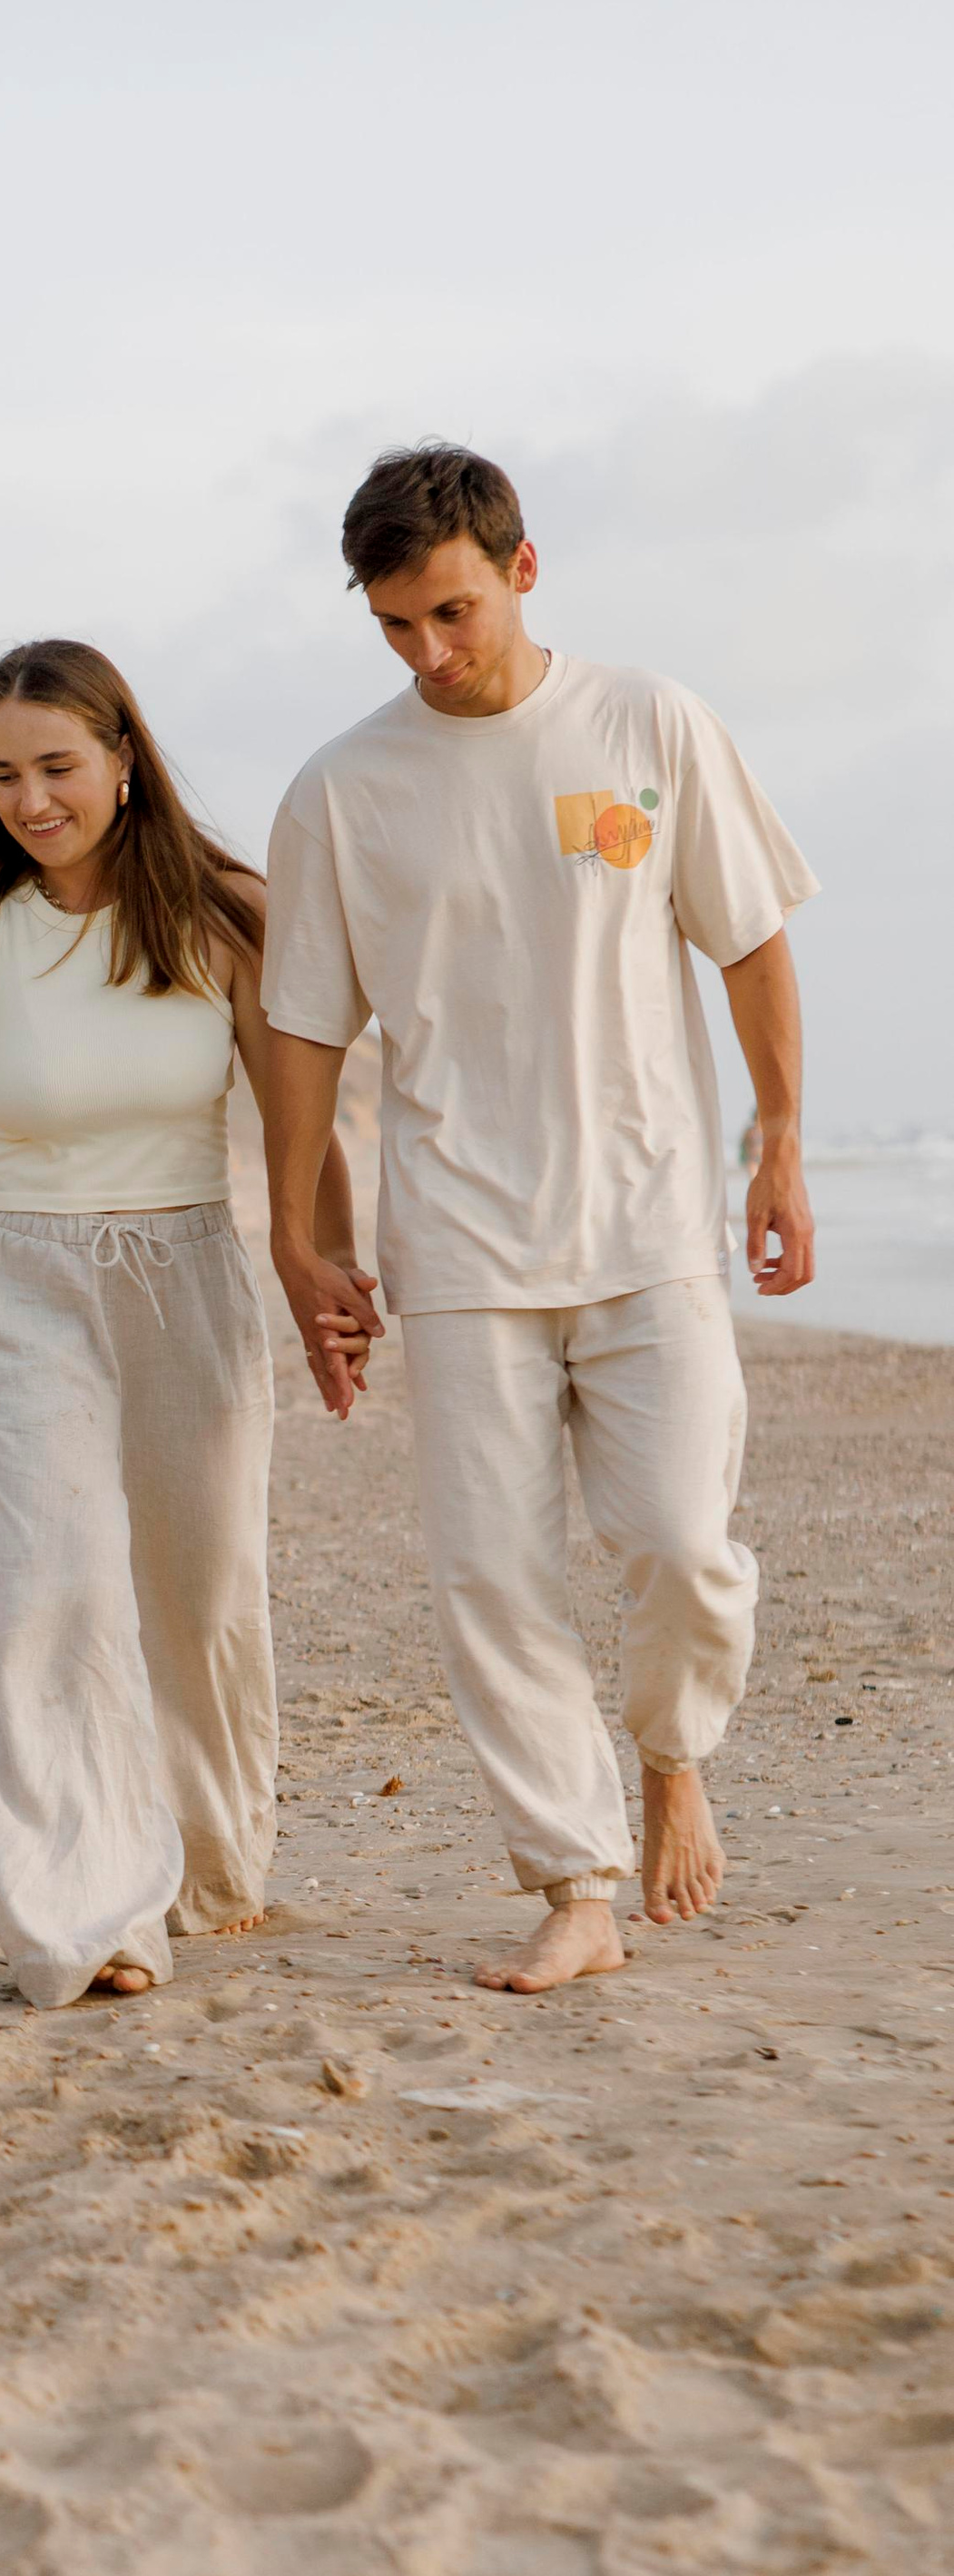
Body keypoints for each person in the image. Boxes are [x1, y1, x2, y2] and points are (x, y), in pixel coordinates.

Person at [258, 443, 817, 1996]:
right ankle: (575, 1881)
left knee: (683, 1544)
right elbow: (302, 1033)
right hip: (461, 1244)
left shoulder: (649, 723)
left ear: (521, 567)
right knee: (493, 1579)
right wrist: (299, 1236)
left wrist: (778, 1145)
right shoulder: (342, 790)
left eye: (453, 612)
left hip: (651, 1221)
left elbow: (749, 942)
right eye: (395, 626)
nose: (430, 653)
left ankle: (672, 1754)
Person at [0, 638, 366, 2008]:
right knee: (44, 1591)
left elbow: (302, 1127)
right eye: (2, 777)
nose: (31, 801)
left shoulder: (228, 917)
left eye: (57, 767)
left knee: (197, 1592)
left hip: (188, 1276)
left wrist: (324, 1278)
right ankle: (89, 1912)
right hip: (22, 1282)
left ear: (124, 761)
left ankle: (205, 1867)